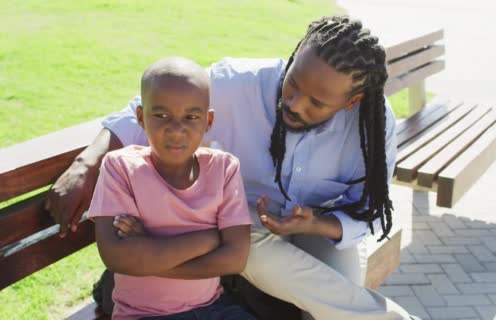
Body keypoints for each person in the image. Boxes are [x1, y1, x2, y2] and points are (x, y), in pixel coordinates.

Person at [47, 15, 418, 319]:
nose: (294, 103)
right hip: (243, 229)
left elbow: (368, 209)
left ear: (351, 102)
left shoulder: (371, 127)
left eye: (316, 103)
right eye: (293, 84)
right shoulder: (237, 83)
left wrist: (315, 224)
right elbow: (140, 114)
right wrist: (86, 162)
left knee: (338, 307)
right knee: (249, 240)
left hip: (318, 228)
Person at [88, 57, 255, 320]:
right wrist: (210, 239)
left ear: (208, 122)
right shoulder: (121, 167)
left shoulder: (224, 168)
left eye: (191, 116)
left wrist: (150, 254)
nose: (176, 130)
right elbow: (117, 257)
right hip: (144, 314)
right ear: (141, 117)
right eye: (162, 115)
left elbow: (235, 259)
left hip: (214, 309)